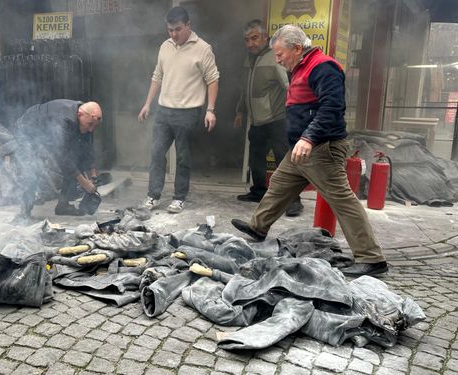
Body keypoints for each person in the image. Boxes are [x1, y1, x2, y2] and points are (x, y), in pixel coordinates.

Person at [231, 25, 388, 276]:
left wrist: (309, 137)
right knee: (279, 185)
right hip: (302, 148)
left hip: (321, 147)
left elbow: (332, 107)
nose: (278, 59)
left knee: (342, 200)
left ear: (296, 48)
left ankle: (371, 257)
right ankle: (257, 228)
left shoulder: (323, 67)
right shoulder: (300, 67)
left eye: (280, 54)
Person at [138, 6, 219, 214]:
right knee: (156, 153)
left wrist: (210, 109)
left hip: (188, 112)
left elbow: (213, 79)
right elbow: (158, 76)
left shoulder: (203, 48)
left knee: (183, 157)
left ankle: (179, 198)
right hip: (163, 111)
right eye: (170, 30)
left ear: (188, 25)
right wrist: (147, 103)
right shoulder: (165, 46)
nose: (173, 34)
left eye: (178, 29)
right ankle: (153, 195)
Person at [234, 19, 303, 217]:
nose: (250, 43)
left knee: (284, 162)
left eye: (254, 38)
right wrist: (240, 111)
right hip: (257, 122)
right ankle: (258, 192)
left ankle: (293, 201)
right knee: (256, 159)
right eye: (247, 40)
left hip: (277, 120)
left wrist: (295, 115)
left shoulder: (275, 58)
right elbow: (244, 89)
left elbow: (288, 87)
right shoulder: (249, 59)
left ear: (265, 37)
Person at [13, 99, 102, 223]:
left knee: (76, 157)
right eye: (90, 125)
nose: (91, 129)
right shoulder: (63, 120)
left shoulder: (85, 117)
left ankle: (63, 205)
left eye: (94, 126)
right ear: (80, 115)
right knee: (33, 168)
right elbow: (62, 156)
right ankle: (24, 212)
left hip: (49, 135)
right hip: (28, 131)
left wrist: (93, 177)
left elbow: (87, 148)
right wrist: (84, 182)